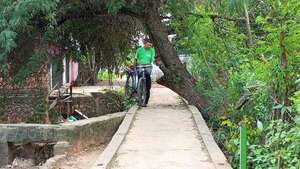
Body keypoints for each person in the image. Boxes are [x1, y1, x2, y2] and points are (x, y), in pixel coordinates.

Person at [134, 38, 155, 107]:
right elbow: (136, 58)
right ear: (144, 44)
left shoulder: (151, 50)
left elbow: (152, 58)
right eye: (148, 44)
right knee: (140, 78)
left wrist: (153, 61)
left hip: (148, 66)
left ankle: (145, 102)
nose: (149, 46)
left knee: (148, 81)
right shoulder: (139, 50)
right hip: (140, 66)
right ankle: (139, 96)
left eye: (150, 45)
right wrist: (135, 64)